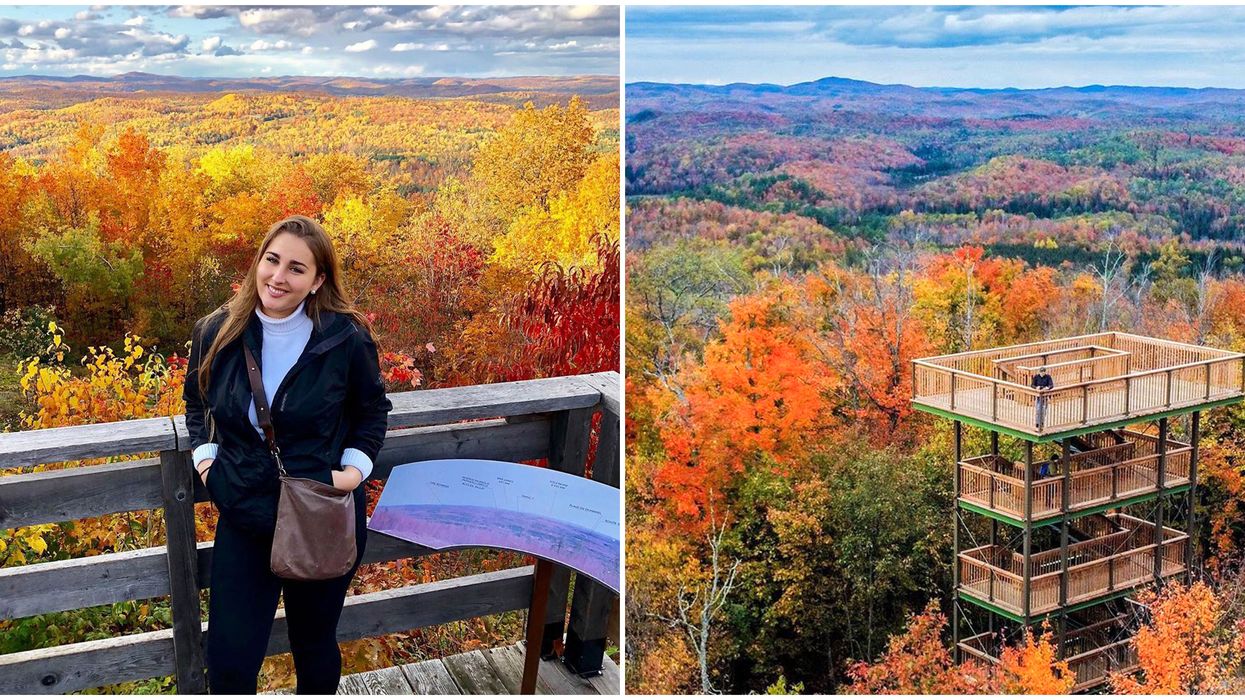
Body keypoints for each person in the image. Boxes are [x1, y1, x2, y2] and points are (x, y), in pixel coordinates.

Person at [183, 215, 393, 694]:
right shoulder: (217, 331)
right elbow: (196, 401)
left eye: (297, 269)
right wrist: (207, 461)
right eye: (272, 260)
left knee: (314, 647)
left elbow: (372, 410)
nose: (278, 277)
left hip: (320, 511)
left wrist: (352, 473)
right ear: (258, 261)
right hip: (245, 509)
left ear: (318, 280)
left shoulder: (343, 338)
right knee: (231, 663)